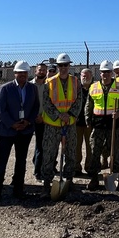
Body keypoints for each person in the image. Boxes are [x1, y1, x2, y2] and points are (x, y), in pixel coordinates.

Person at [0, 61, 41, 201]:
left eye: (25, 73)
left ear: (28, 74)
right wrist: (12, 124)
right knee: (1, 162)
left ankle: (18, 190)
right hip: (6, 131)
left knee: (21, 162)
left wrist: (27, 121)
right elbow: (0, 109)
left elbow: (35, 107)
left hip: (24, 131)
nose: (22, 75)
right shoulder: (5, 88)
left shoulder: (32, 88)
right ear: (15, 73)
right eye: (20, 72)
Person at [41, 53, 81, 197]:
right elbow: (46, 102)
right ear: (57, 66)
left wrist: (69, 115)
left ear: (69, 66)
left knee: (70, 153)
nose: (63, 68)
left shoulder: (76, 82)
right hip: (53, 125)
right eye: (60, 65)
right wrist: (59, 115)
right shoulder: (49, 82)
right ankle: (47, 184)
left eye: (65, 65)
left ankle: (68, 181)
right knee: (49, 154)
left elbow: (78, 101)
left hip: (69, 124)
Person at [86, 60, 119, 191]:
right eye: (103, 72)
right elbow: (89, 105)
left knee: (114, 152)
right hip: (98, 126)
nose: (106, 74)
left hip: (113, 125)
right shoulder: (93, 87)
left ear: (112, 73)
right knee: (95, 152)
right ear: (100, 73)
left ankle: (116, 178)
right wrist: (88, 120)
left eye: (108, 72)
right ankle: (94, 179)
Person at [31, 61, 50, 181]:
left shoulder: (49, 86)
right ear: (35, 71)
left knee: (41, 146)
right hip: (31, 119)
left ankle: (38, 171)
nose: (42, 71)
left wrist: (43, 116)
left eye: (44, 70)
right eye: (40, 69)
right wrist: (34, 116)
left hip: (44, 119)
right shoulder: (29, 86)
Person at [74, 67, 94, 175]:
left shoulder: (95, 89)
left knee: (90, 146)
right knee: (77, 146)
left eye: (87, 75)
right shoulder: (76, 89)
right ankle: (76, 167)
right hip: (77, 123)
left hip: (89, 123)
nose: (85, 77)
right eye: (83, 76)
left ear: (91, 77)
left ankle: (89, 166)